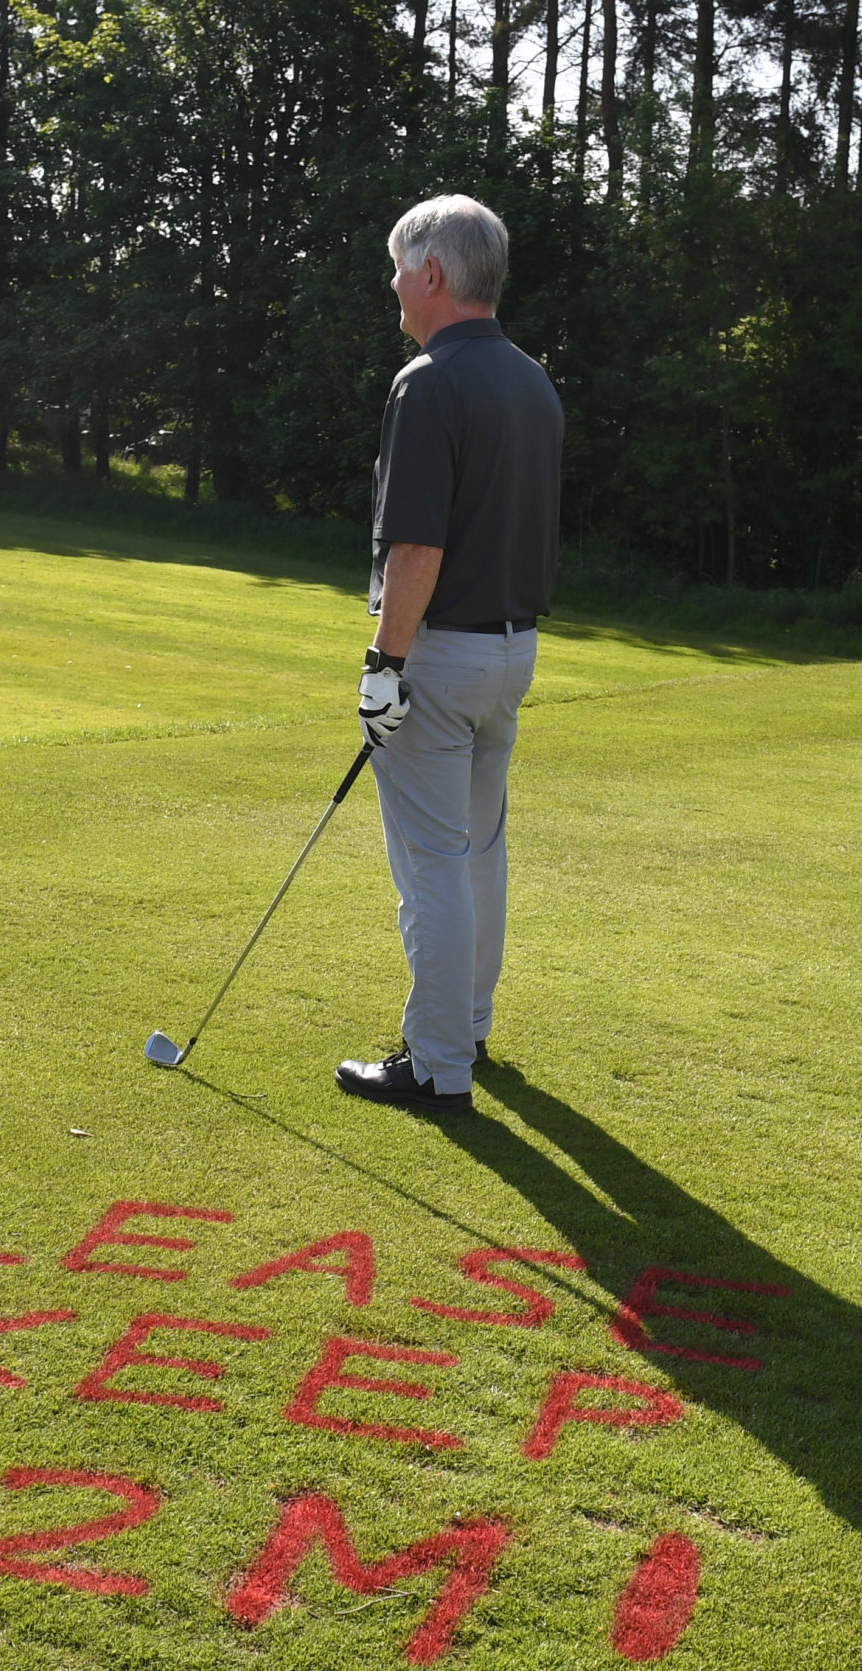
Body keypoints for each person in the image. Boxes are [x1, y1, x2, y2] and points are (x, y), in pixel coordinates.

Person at [336, 195, 563, 1116]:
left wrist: (384, 665)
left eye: (399, 266)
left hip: (439, 653)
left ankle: (437, 1064)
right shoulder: (532, 380)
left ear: (433, 275)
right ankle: (466, 1024)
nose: (392, 282)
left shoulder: (426, 382)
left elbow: (416, 549)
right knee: (478, 852)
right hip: (513, 653)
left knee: (432, 860)